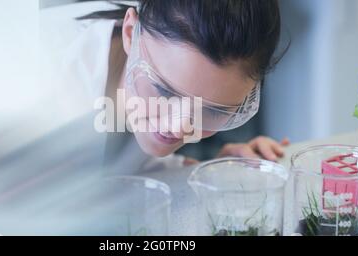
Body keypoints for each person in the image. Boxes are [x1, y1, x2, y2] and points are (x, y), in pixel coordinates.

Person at [40, 0, 289, 173]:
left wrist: (209, 169)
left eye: (212, 111)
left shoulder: (149, 66)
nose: (178, 127)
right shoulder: (38, 82)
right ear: (130, 33)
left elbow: (123, 175)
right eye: (165, 92)